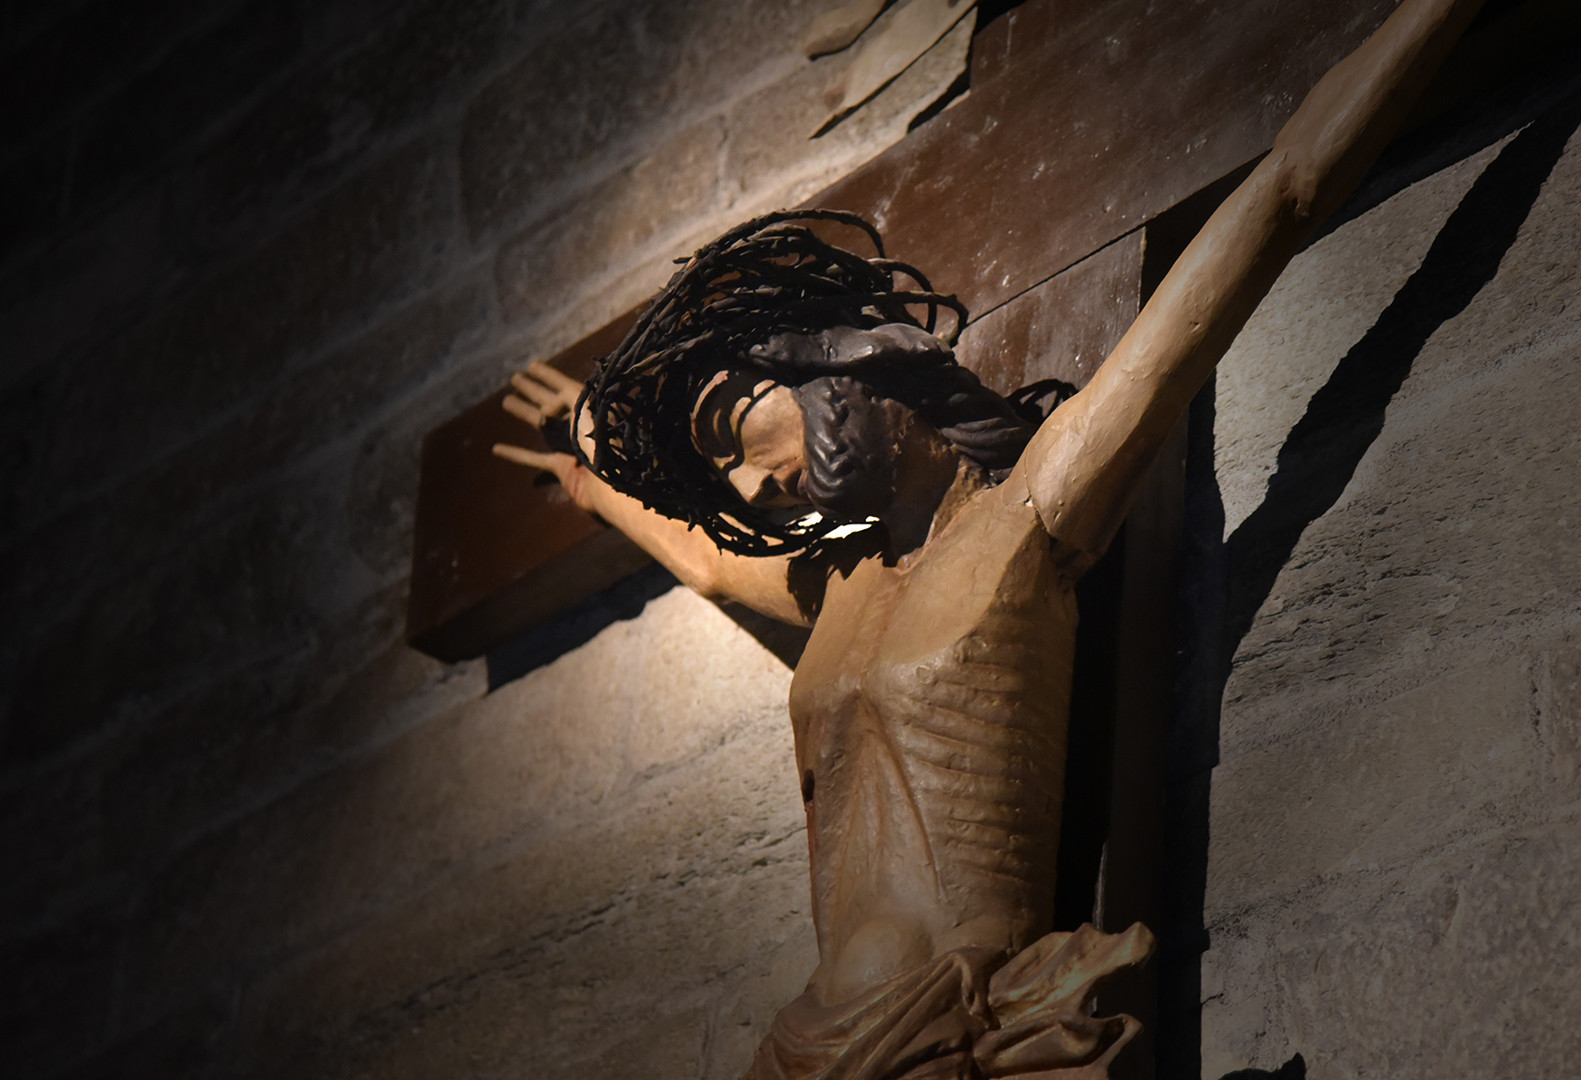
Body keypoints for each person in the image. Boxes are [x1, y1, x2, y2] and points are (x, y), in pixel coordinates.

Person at [492, 2, 1484, 1075]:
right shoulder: (835, 581)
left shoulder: (1032, 516)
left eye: (736, 434)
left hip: (954, 1041)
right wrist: (592, 484)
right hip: (807, 1054)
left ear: (835, 358)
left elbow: (1282, 194)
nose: (750, 485)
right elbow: (706, 560)